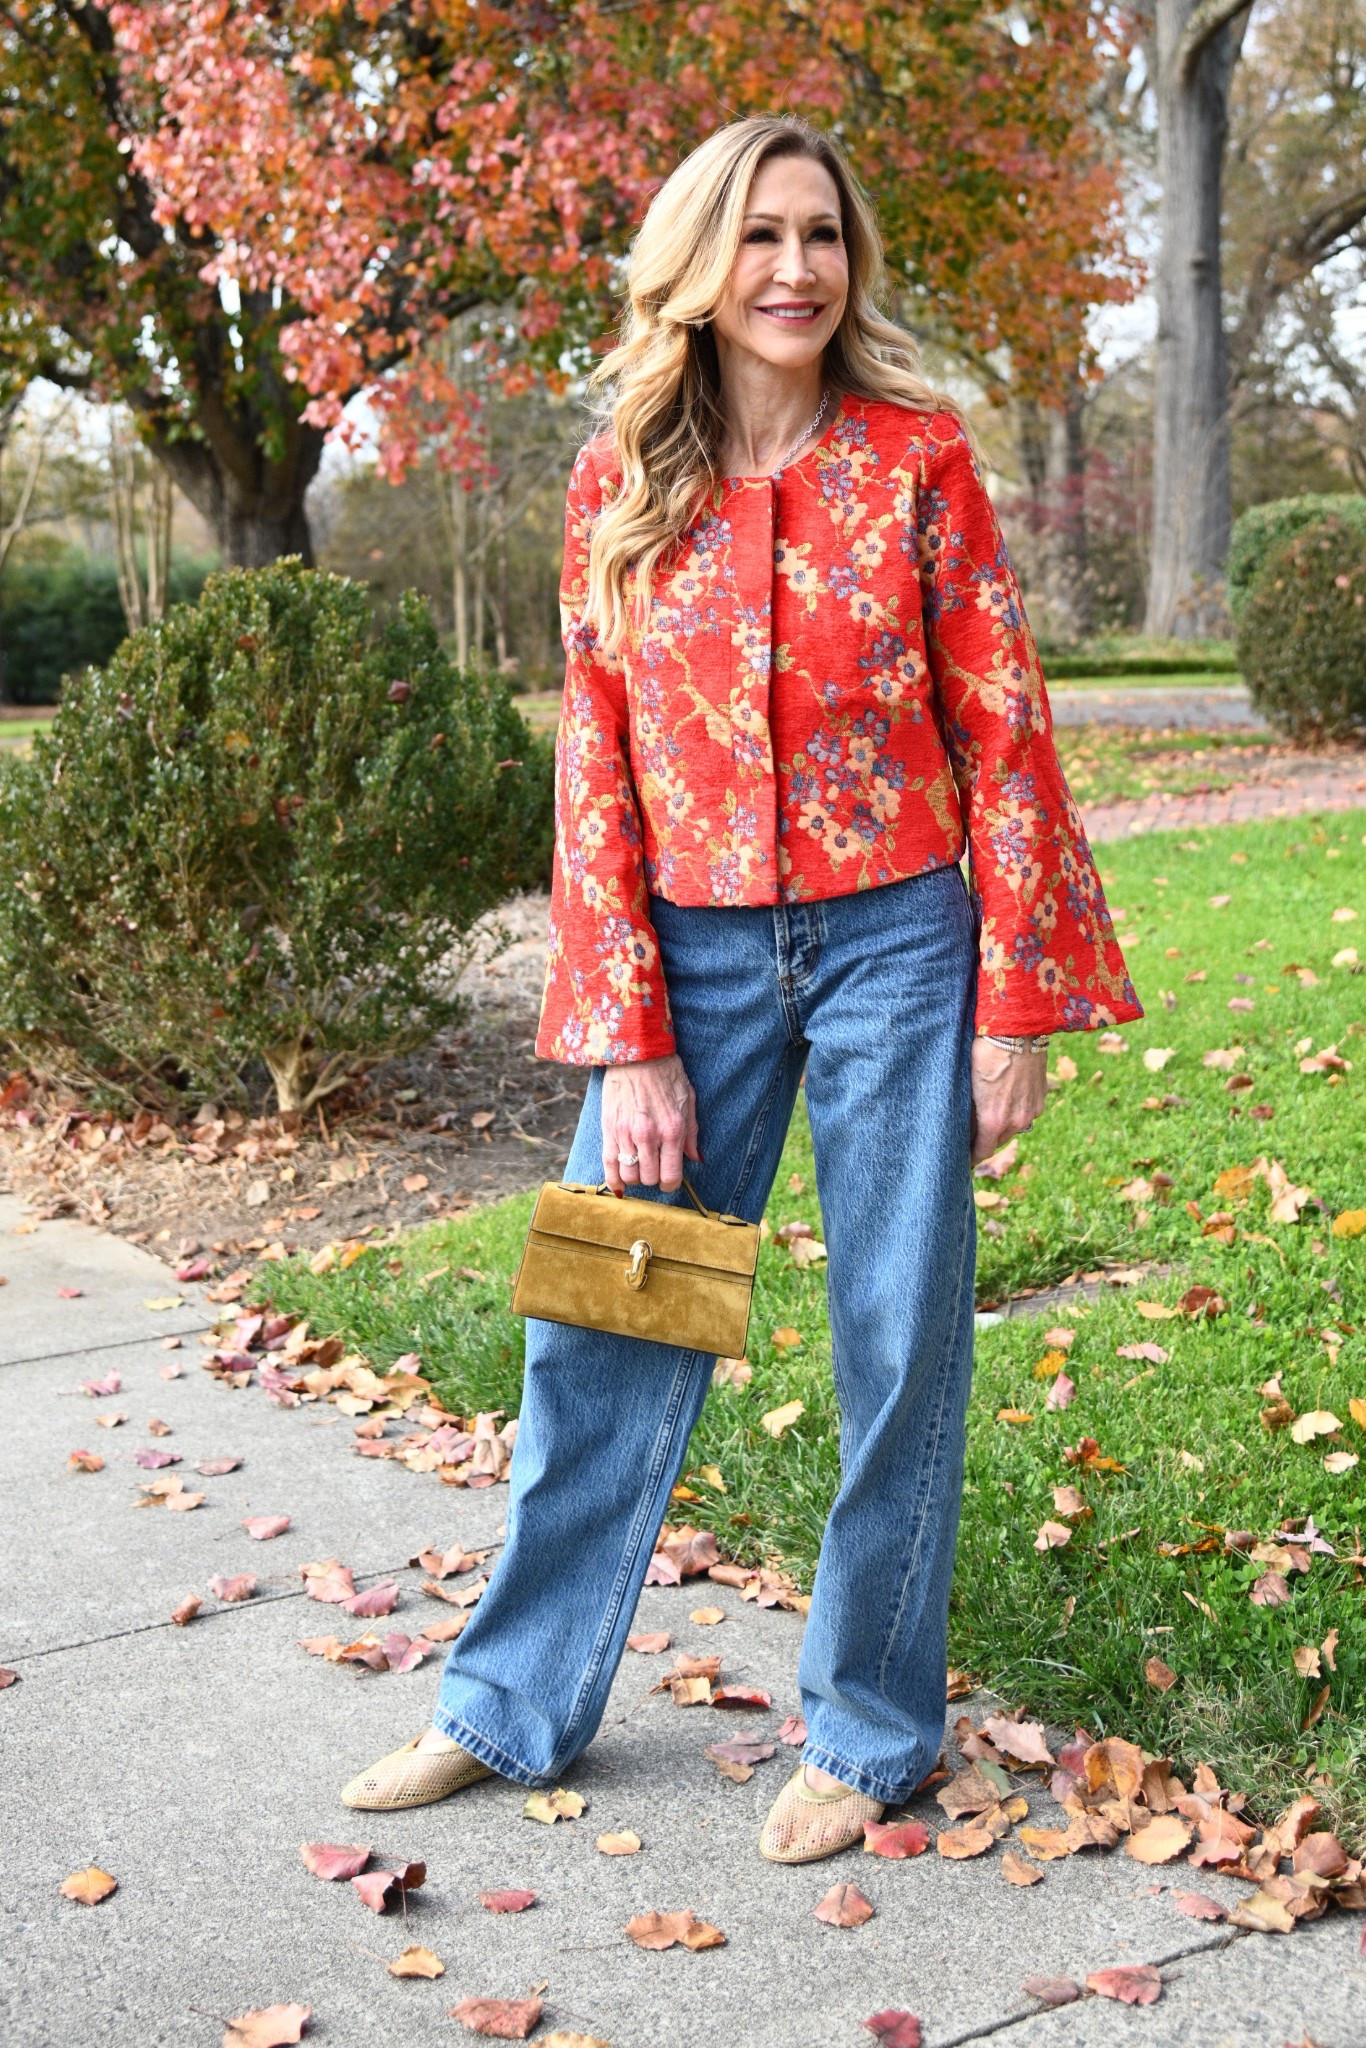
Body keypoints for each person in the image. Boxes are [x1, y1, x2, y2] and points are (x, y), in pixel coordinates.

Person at [341, 113, 1140, 1862]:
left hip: (899, 946)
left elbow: (1002, 733)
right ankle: (507, 1704)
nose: (795, 268)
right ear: (696, 267)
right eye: (760, 236)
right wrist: (627, 1030)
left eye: (822, 236)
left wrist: (1015, 1004)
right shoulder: (622, 474)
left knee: (893, 1335)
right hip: (685, 960)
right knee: (603, 1324)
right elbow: (595, 761)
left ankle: (868, 1735)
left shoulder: (917, 461)